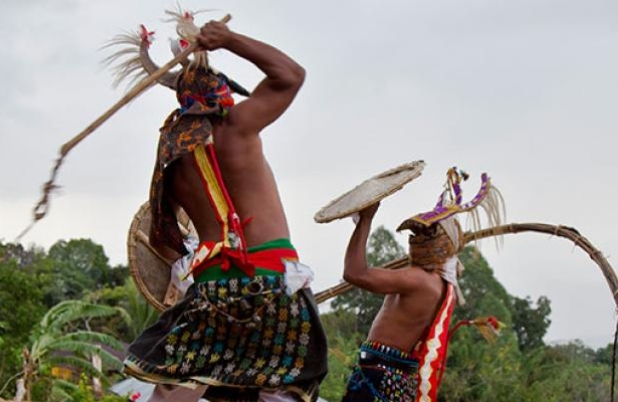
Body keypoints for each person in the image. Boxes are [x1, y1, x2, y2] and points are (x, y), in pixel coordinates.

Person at [122, 14, 327, 402]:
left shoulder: (171, 154)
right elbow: (291, 75)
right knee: (282, 390)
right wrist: (229, 39)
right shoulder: (236, 125)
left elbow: (163, 238)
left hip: (210, 292)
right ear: (220, 92)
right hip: (272, 284)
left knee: (219, 391)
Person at [341, 168, 503, 402]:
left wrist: (365, 220)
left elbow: (354, 273)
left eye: (423, 234)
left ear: (440, 244)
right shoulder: (434, 283)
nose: (415, 239)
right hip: (388, 375)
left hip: (380, 375)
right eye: (415, 234)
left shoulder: (418, 280)